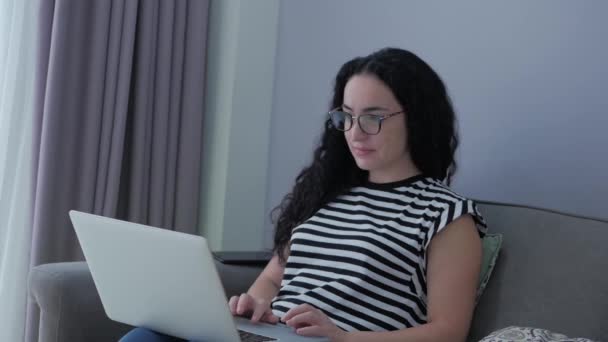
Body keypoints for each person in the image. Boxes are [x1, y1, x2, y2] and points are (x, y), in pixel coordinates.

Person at [121, 47, 486, 342]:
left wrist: (342, 338)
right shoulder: (327, 193)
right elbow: (271, 279)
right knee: (146, 336)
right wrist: (254, 305)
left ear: (417, 119)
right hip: (273, 334)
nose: (355, 133)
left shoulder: (445, 215)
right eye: (346, 117)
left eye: (373, 118)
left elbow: (447, 332)